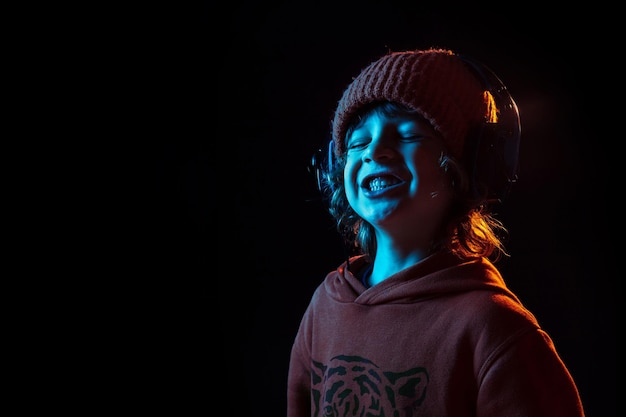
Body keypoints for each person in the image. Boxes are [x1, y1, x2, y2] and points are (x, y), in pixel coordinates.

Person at [287, 47, 585, 416]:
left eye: (407, 135)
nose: (374, 151)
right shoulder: (325, 306)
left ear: (468, 165)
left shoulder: (496, 331)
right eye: (358, 142)